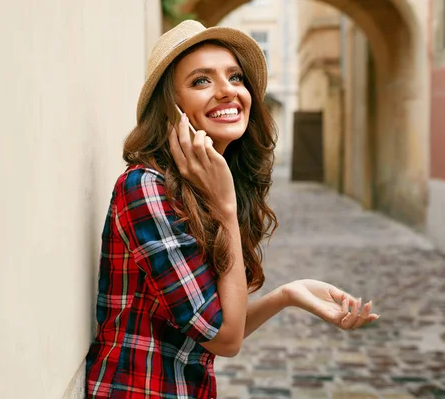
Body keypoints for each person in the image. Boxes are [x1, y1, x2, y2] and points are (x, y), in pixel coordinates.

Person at [85, 20, 379, 399]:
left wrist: (288, 294)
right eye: (201, 81)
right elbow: (224, 340)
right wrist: (225, 210)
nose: (227, 91)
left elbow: (217, 327)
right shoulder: (146, 188)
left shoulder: (207, 189)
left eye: (235, 77)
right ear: (170, 110)